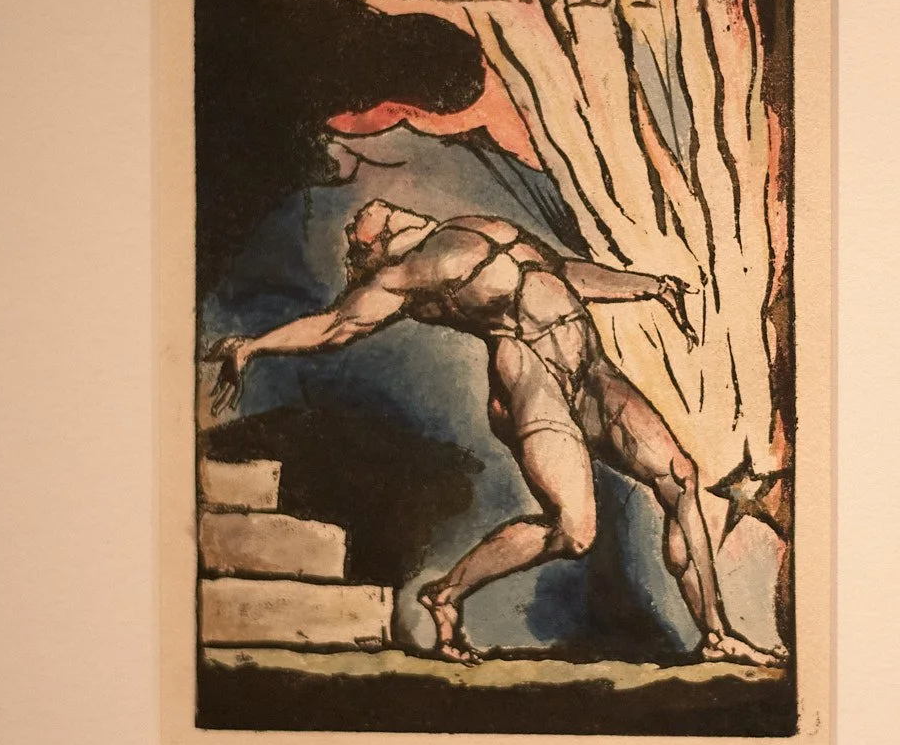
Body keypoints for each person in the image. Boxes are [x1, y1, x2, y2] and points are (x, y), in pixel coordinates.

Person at [207, 200, 783, 668]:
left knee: (681, 477)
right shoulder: (403, 275)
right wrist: (253, 346)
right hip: (533, 381)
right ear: (374, 248)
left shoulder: (471, 225)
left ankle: (715, 635)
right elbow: (337, 326)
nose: (364, 212)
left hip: (591, 372)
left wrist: (649, 286)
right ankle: (446, 594)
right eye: (358, 227)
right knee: (575, 531)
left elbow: (561, 274)